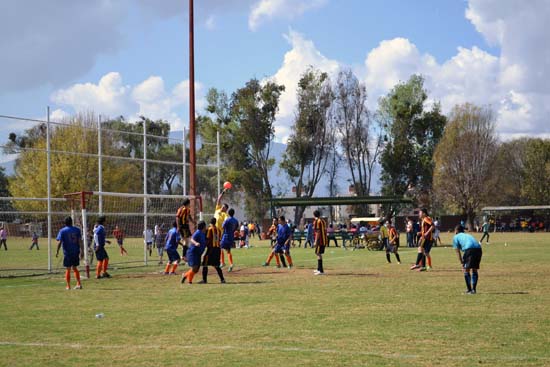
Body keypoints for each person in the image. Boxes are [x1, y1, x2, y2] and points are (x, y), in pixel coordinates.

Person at [55, 217, 84, 290]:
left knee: (68, 268)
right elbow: (80, 241)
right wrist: (82, 250)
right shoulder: (77, 230)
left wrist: (57, 251)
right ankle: (79, 284)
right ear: (72, 222)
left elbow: (59, 242)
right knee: (75, 268)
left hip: (67, 253)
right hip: (75, 251)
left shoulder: (62, 231)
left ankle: (68, 285)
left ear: (65, 223)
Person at [452, 225, 482, 294]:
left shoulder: (455, 237)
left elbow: (457, 252)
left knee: (466, 270)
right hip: (479, 249)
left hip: (469, 249)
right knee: (474, 269)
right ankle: (474, 290)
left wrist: (461, 263)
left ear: (456, 231)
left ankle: (469, 290)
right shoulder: (467, 235)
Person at [200, 218, 225, 284]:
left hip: (211, 249)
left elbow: (208, 239)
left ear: (210, 223)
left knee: (205, 263)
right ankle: (222, 279)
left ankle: (204, 280)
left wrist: (204, 245)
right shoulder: (218, 230)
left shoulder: (209, 229)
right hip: (217, 249)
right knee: (216, 265)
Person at [181, 221, 207, 285]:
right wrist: (196, 243)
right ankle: (189, 281)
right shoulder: (197, 232)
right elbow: (192, 239)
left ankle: (185, 275)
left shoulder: (203, 233)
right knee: (194, 267)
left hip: (198, 253)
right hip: (193, 252)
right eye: (205, 226)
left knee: (196, 269)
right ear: (203, 227)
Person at [313, 210, 327, 275]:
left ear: (314, 215)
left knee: (318, 253)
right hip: (323, 239)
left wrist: (316, 241)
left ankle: (321, 271)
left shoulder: (317, 221)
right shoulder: (323, 220)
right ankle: (318, 269)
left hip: (320, 241)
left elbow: (318, 232)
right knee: (317, 253)